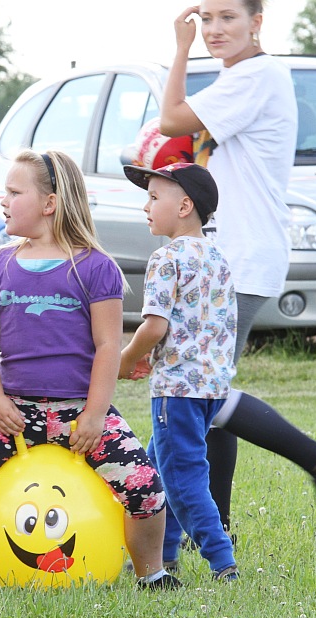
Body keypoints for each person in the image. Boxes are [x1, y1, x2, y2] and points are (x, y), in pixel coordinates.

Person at [159, 0, 316, 545]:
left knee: (202, 391)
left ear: (258, 22)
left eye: (227, 17)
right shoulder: (244, 79)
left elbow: (171, 119)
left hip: (241, 255)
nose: (212, 29)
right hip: (235, 253)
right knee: (211, 389)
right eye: (205, 19)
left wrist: (179, 50)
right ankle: (217, 527)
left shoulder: (256, 75)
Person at [0, 149, 178, 591]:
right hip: (12, 411)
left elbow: (107, 346)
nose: (3, 200)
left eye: (14, 192)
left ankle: (151, 573)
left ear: (50, 203)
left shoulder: (96, 268)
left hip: (80, 412)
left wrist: (96, 416)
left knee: (145, 488)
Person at [119, 161, 238, 580]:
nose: (146, 206)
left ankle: (222, 563)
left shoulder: (166, 258)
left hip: (176, 390)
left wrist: (128, 358)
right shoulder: (218, 258)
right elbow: (201, 325)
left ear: (185, 205)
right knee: (155, 475)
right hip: (211, 388)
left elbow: (155, 325)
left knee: (184, 480)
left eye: (154, 197)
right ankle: (161, 556)